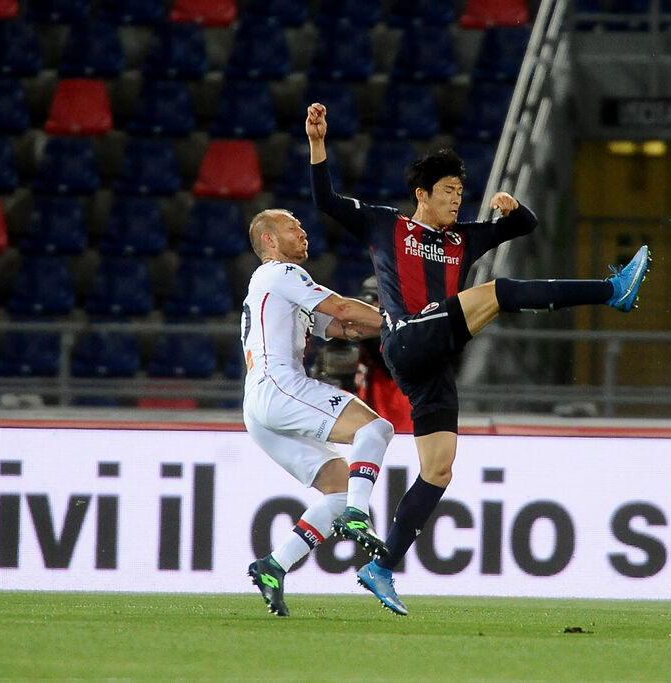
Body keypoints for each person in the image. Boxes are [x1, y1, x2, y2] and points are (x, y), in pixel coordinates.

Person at [307, 102, 650, 615]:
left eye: (460, 192)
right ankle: (611, 290)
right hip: (404, 339)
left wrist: (513, 209)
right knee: (497, 291)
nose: (455, 199)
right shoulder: (386, 226)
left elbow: (526, 226)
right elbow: (326, 201)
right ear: (421, 195)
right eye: (447, 191)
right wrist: (317, 143)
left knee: (439, 469)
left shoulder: (462, 239)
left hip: (434, 360)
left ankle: (380, 567)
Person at [242, 208, 396, 617]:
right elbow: (345, 310)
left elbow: (343, 328)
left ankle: (274, 565)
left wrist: (394, 326)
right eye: (294, 228)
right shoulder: (282, 273)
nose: (304, 234)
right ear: (270, 241)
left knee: (339, 487)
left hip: (258, 406)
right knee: (375, 429)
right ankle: (358, 518)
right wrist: (398, 320)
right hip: (278, 385)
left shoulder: (278, 287)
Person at [353, 276, 414, 434]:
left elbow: (388, 363)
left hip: (401, 423)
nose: (372, 308)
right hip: (374, 420)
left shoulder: (402, 334)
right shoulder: (367, 332)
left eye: (377, 304)